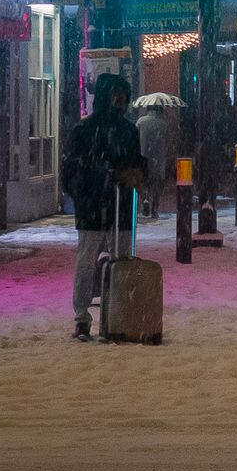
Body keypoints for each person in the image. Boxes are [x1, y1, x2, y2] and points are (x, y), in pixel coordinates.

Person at [62, 74, 144, 341]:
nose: (119, 100)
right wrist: (93, 185)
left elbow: (136, 164)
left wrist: (134, 174)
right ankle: (82, 317)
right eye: (115, 94)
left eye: (122, 95)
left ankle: (116, 313)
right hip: (95, 207)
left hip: (116, 207)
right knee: (88, 263)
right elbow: (72, 171)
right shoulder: (86, 131)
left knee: (118, 263)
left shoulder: (127, 132)